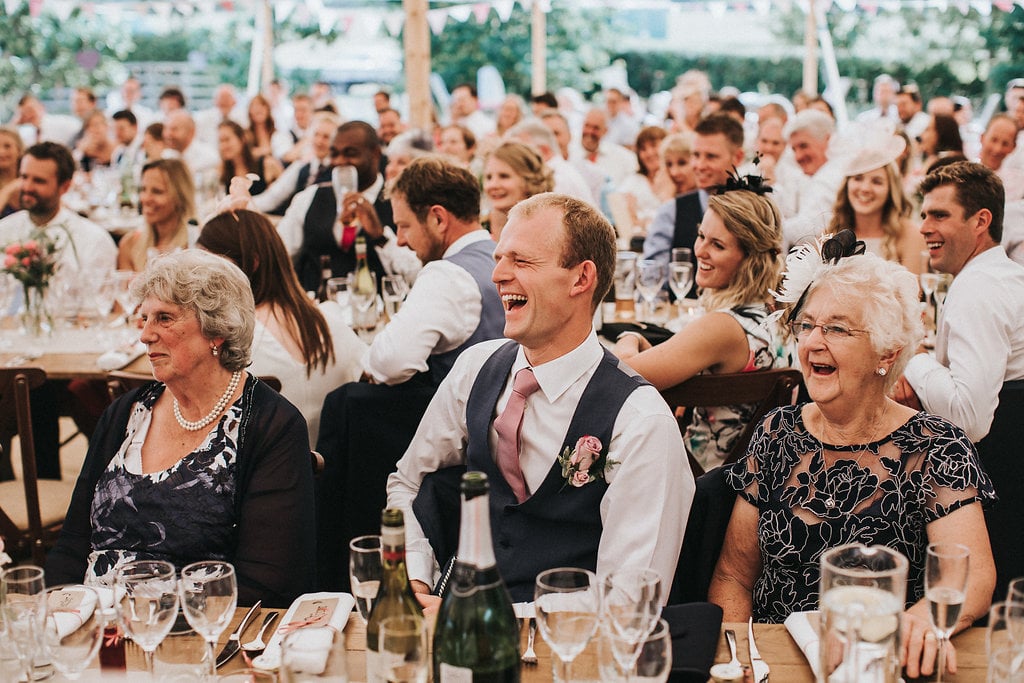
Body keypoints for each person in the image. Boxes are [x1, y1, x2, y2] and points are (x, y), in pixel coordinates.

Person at [708, 234, 996, 680]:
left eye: (838, 329)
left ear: (887, 353)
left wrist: (924, 619)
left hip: (882, 663)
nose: (812, 343)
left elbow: (971, 575)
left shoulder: (936, 445)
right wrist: (739, 659)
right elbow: (733, 577)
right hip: (776, 664)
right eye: (807, 326)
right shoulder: (777, 433)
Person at [386, 192, 693, 605]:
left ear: (581, 279)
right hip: (450, 614)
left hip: (565, 644)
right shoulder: (475, 367)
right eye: (498, 258)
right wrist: (418, 576)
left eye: (521, 261)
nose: (498, 275)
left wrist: (497, 622)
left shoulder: (640, 421)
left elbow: (630, 600)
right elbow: (408, 482)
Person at [45, 250, 316, 607]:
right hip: (96, 626)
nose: (145, 335)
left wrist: (149, 621)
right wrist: (58, 614)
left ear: (216, 330)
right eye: (143, 319)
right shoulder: (126, 414)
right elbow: (73, 542)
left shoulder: (270, 426)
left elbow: (267, 581)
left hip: (199, 635)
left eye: (164, 319)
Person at [614, 186, 788, 471]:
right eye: (701, 236)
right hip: (756, 471)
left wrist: (629, 336)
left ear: (749, 260)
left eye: (717, 245)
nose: (700, 251)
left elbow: (620, 376)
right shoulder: (777, 314)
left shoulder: (724, 327)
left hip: (700, 477)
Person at [197, 210, 365, 447]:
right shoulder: (333, 324)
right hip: (333, 470)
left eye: (208, 264)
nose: (198, 278)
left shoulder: (234, 343)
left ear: (251, 263)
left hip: (266, 473)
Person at [893, 161, 1024, 440]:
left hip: (991, 470)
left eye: (939, 216)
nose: (924, 228)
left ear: (980, 221)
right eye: (924, 215)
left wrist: (913, 356)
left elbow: (968, 419)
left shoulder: (980, 288)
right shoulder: (1004, 275)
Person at [362, 155, 505, 386]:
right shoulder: (498, 255)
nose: (399, 240)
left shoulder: (446, 275)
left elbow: (390, 364)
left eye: (404, 226)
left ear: (438, 218)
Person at [277, 121, 420, 293]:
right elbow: (278, 258)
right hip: (317, 310)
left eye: (350, 154)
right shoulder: (309, 197)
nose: (340, 162)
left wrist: (380, 236)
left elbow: (417, 274)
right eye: (334, 154)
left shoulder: (401, 201)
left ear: (375, 154)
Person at [643, 114, 746, 270]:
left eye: (711, 156)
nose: (699, 165)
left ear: (737, 157)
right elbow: (652, 279)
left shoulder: (757, 209)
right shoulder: (671, 212)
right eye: (696, 155)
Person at [825, 131, 926, 274]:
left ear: (891, 189)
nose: (865, 188)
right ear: (846, 184)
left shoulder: (910, 235)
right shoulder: (831, 231)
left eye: (877, 182)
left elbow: (914, 294)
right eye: (858, 178)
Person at [117, 159, 196, 271]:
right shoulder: (130, 245)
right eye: (143, 189)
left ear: (180, 197)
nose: (145, 199)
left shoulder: (196, 246)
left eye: (157, 191)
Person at [252, 112, 337, 216]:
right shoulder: (302, 165)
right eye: (316, 135)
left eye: (326, 137)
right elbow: (273, 197)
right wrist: (244, 201)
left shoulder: (336, 172)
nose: (319, 141)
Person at [483, 140, 554, 240]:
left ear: (529, 180)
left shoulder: (549, 230)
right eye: (489, 177)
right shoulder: (478, 227)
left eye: (504, 176)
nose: (493, 185)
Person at [615, 126, 672, 233]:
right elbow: (623, 219)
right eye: (643, 149)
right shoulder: (633, 181)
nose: (649, 153)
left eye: (654, 146)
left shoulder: (677, 178)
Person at [216, 120, 282, 196]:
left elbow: (283, 195)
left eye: (227, 139)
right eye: (220, 141)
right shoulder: (222, 171)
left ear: (242, 139)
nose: (223, 146)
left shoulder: (267, 164)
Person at [246, 93, 291, 161]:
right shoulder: (245, 135)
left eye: (262, 105)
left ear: (268, 109)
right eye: (255, 105)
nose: (259, 109)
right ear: (250, 111)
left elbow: (286, 154)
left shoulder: (278, 134)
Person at [0, 126, 23, 217]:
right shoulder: (17, 184)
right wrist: (10, 188)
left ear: (19, 150)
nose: (1, 152)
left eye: (7, 146)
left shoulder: (32, 179)